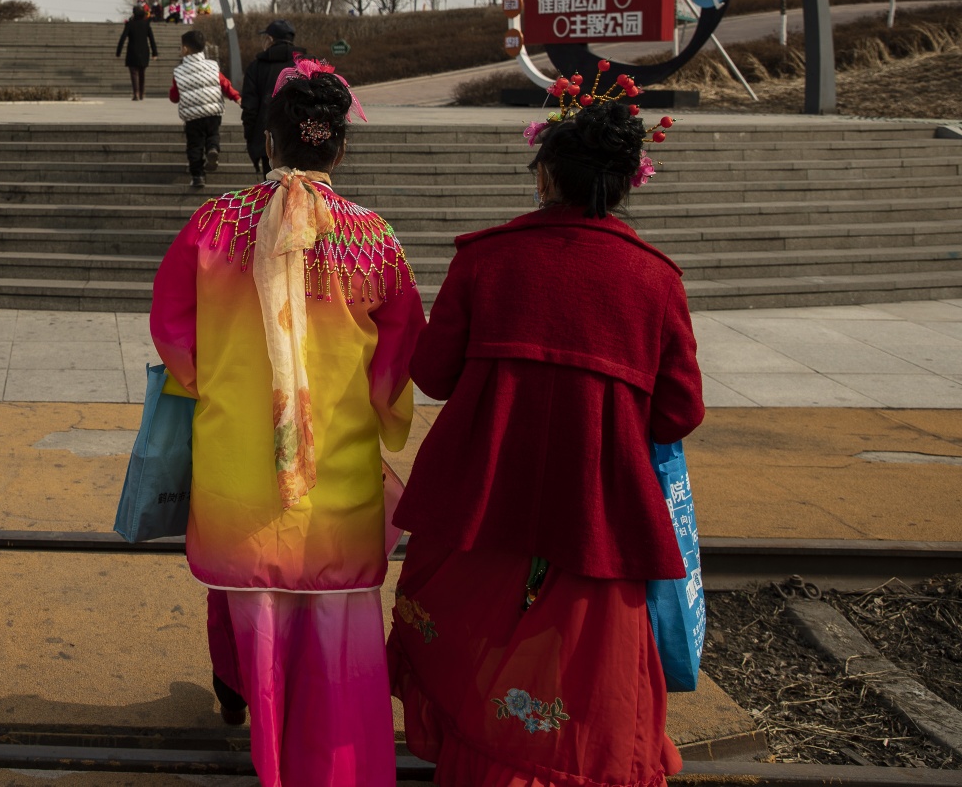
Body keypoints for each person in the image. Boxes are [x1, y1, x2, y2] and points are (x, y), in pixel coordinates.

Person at [387, 73, 703, 787]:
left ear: (548, 172)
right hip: (599, 518)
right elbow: (680, 412)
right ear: (626, 184)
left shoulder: (486, 259)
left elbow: (434, 376)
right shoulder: (656, 280)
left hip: (481, 505)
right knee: (585, 689)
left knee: (469, 645)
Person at [150, 60, 422, 787]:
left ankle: (263, 748)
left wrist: (223, 389)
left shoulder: (214, 223)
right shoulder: (376, 240)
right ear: (338, 148)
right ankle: (337, 768)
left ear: (269, 142)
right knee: (337, 626)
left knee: (255, 610)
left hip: (241, 466)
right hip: (336, 467)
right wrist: (379, 417)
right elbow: (399, 365)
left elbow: (174, 336)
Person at [169, 29, 241, 190]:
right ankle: (213, 148)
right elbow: (225, 84)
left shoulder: (179, 71)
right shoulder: (212, 66)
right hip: (213, 112)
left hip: (192, 116)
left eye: (181, 47)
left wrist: (176, 96)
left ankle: (198, 176)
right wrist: (236, 97)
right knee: (212, 134)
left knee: (194, 145)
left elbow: (174, 96)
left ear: (186, 49)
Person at [241, 21, 305, 176]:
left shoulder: (256, 67)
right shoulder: (305, 64)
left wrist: (251, 138)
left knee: (273, 192)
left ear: (270, 39)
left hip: (268, 142)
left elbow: (250, 107)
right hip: (302, 140)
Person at [116, 3, 159, 101]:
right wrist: (154, 53)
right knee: (142, 72)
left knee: (134, 73)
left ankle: (136, 92)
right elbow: (152, 39)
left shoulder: (130, 24)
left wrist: (118, 52)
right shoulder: (146, 24)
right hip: (144, 51)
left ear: (134, 14)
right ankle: (141, 93)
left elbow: (123, 38)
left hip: (132, 51)